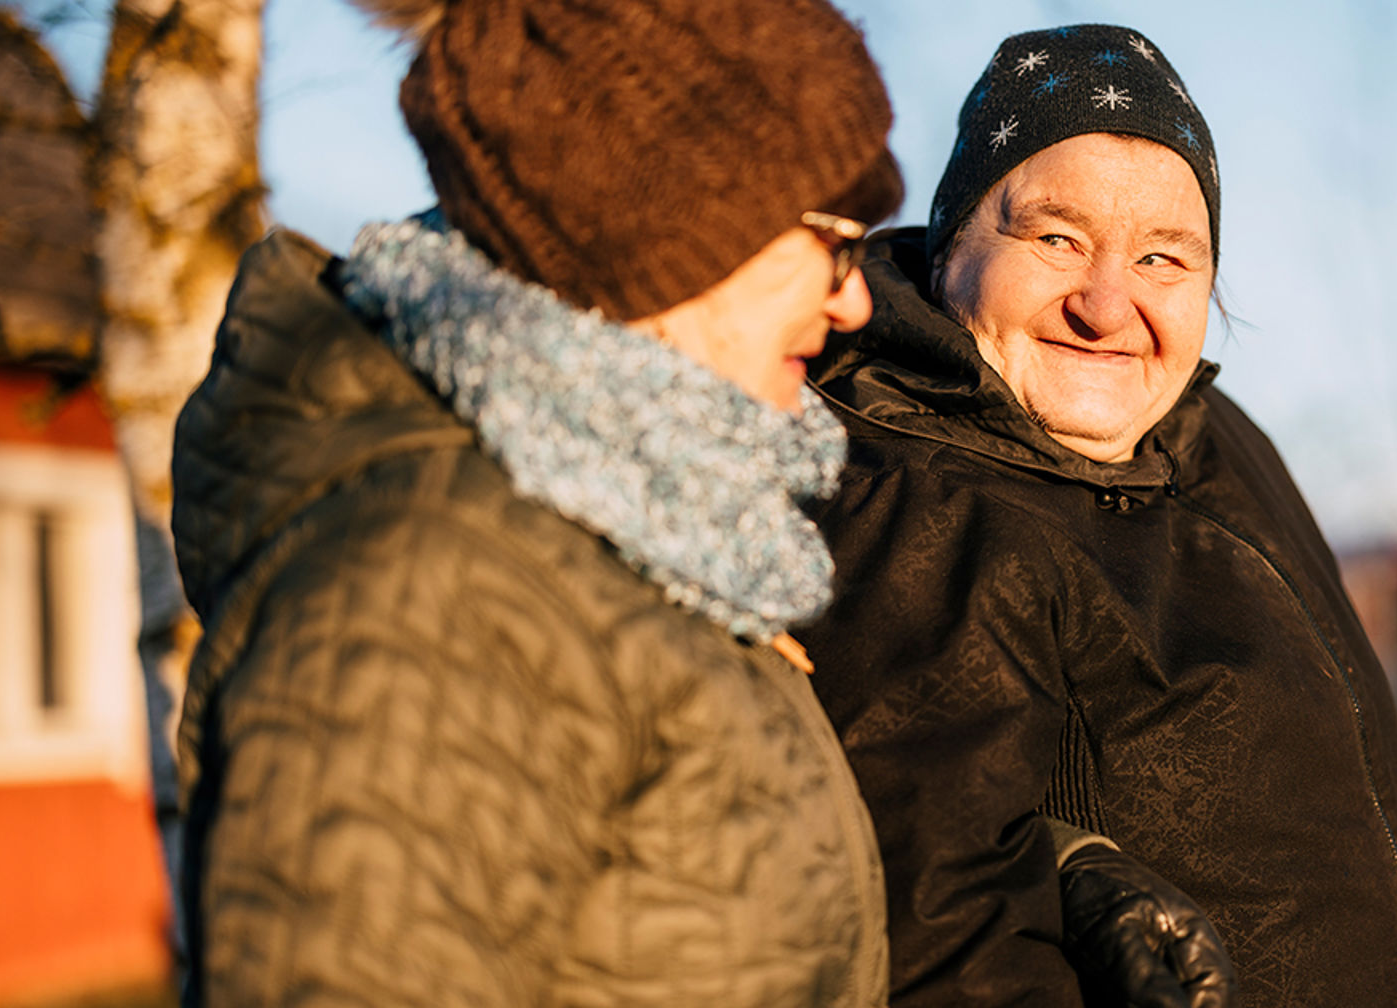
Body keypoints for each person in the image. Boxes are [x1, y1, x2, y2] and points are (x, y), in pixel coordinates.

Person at [167, 0, 902, 1003]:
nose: (854, 299)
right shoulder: (442, 588)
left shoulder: (666, 527)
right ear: (659, 221)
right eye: (835, 238)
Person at [798, 23, 1397, 1008]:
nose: (1108, 305)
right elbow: (946, 941)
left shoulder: (1216, 437)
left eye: (1164, 260)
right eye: (1056, 238)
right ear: (950, 247)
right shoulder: (919, 505)